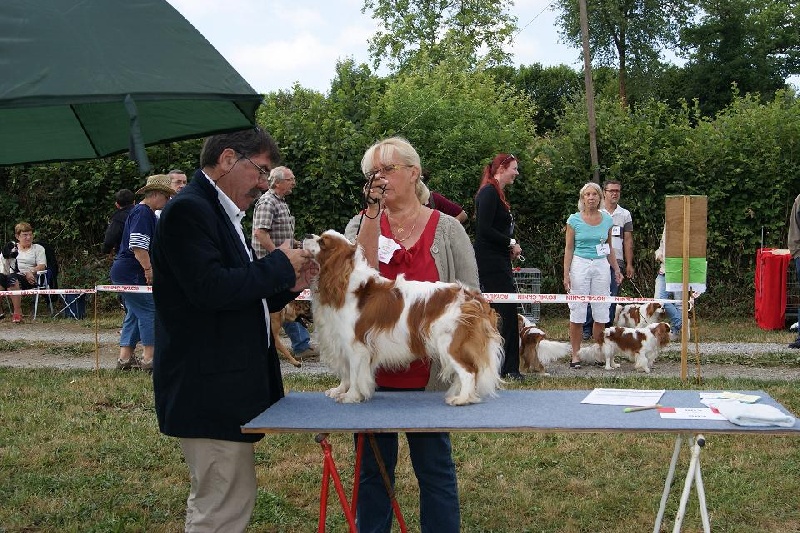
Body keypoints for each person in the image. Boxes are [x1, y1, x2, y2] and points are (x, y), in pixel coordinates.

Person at [151, 128, 315, 532]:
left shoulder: (215, 211)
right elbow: (212, 290)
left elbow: (238, 293)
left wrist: (285, 288)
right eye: (260, 171)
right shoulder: (190, 211)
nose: (264, 184)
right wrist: (280, 263)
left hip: (220, 388)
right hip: (207, 390)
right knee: (221, 506)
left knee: (226, 498)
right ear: (228, 160)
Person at [344, 137, 471, 533]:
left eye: (388, 169)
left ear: (414, 173)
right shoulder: (359, 224)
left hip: (429, 377)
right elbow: (353, 283)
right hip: (374, 375)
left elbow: (470, 297)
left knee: (435, 469)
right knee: (372, 473)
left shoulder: (447, 229)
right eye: (372, 173)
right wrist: (370, 214)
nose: (379, 178)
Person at [110, 175, 174, 371]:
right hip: (132, 271)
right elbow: (138, 247)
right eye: (166, 196)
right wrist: (149, 270)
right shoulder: (143, 213)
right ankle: (150, 358)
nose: (168, 200)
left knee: (134, 314)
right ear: (155, 194)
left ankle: (125, 358)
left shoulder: (143, 212)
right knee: (150, 310)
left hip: (125, 271)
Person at [252, 165, 315, 357]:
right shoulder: (267, 202)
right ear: (277, 182)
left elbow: (280, 234)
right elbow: (260, 233)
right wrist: (278, 257)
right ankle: (299, 345)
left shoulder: (281, 202)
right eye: (291, 179)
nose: (294, 183)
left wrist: (298, 244)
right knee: (280, 301)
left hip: (282, 262)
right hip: (270, 263)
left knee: (286, 301)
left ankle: (301, 344)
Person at [473, 153, 524, 380]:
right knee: (505, 312)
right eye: (514, 168)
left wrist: (507, 247)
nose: (516, 173)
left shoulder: (495, 192)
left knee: (505, 312)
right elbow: (483, 229)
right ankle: (508, 368)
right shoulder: (489, 192)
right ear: (502, 168)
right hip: (490, 262)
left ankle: (505, 365)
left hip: (498, 259)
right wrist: (510, 242)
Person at [564, 182, 623, 368]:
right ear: (582, 198)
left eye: (594, 194)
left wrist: (616, 269)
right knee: (578, 309)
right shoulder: (574, 220)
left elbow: (609, 247)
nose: (591, 198)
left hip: (600, 265)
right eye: (587, 195)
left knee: (601, 310)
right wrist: (566, 274)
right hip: (580, 263)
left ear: (599, 198)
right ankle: (575, 354)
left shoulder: (606, 220)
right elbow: (569, 248)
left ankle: (599, 353)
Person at [582, 179, 634, 338]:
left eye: (617, 191)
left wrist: (629, 263)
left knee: (611, 295)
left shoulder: (625, 214)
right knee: (592, 294)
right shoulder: (596, 211)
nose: (614, 193)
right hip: (596, 259)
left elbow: (628, 239)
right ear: (604, 193)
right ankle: (587, 328)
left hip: (616, 260)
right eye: (611, 190)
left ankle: (607, 328)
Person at [0, 222, 47, 323]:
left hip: (28, 279)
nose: (28, 237)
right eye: (25, 235)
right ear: (17, 236)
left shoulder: (38, 248)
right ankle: (0, 314)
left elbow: (42, 265)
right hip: (8, 274)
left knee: (12, 279)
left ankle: (17, 313)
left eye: (30, 234)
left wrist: (31, 271)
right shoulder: (11, 247)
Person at [654, 226, 685, 342]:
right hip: (664, 270)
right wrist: (659, 254)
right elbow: (662, 245)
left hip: (679, 271)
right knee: (659, 301)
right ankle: (680, 323)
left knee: (679, 303)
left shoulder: (688, 223)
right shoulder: (668, 224)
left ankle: (676, 332)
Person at [101, 189, 135, 256]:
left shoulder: (118, 218)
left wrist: (106, 250)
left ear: (117, 205)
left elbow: (110, 237)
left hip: (126, 254)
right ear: (134, 202)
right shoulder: (141, 212)